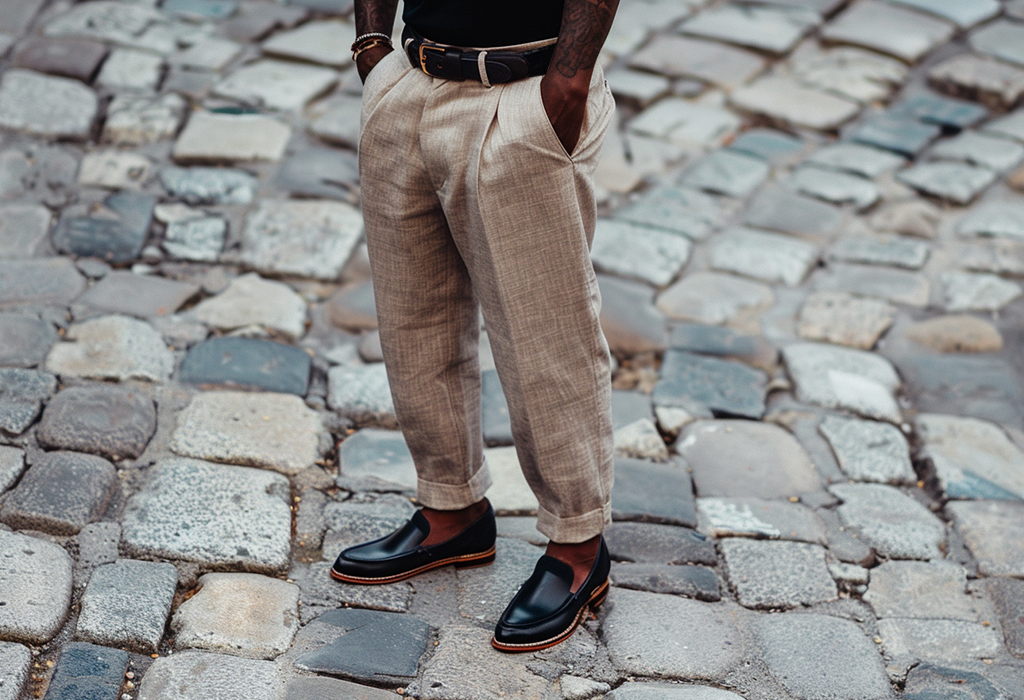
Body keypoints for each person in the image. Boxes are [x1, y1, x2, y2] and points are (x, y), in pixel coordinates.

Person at [332, 0, 621, 653]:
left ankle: (578, 544)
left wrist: (568, 81)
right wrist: (373, 49)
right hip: (412, 81)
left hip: (526, 94)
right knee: (413, 317)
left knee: (546, 334)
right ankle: (451, 508)